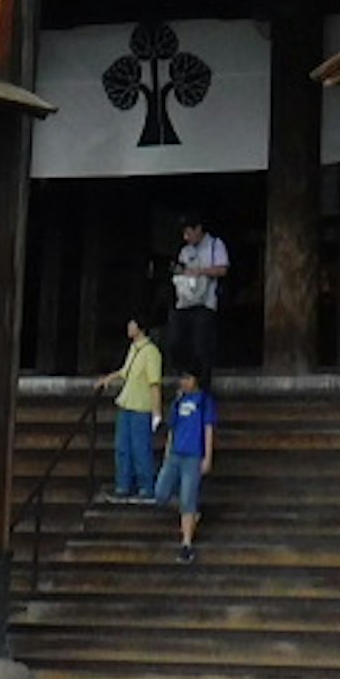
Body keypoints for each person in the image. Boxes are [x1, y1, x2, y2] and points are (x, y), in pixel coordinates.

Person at [101, 316, 166, 502]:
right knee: (123, 447)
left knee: (140, 448)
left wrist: (156, 411)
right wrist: (108, 379)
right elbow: (125, 371)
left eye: (132, 324)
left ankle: (146, 487)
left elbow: (154, 383)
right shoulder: (133, 349)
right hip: (127, 404)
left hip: (141, 407)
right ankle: (123, 485)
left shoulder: (151, 352)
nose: (129, 327)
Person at [166, 213, 229, 385]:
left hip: (205, 302)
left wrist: (200, 272)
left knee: (201, 344)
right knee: (176, 340)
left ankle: (202, 383)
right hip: (185, 301)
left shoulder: (215, 245)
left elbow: (222, 269)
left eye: (188, 232)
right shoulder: (185, 251)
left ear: (198, 229)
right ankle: (184, 376)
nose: (186, 237)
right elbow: (181, 269)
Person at [161, 367, 216, 562]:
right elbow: (172, 427)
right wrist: (167, 451)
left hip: (193, 455)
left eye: (187, 378)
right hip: (176, 454)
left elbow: (208, 429)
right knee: (161, 492)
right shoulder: (178, 401)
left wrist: (207, 456)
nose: (183, 382)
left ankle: (186, 543)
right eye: (181, 378)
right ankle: (190, 513)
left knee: (188, 499)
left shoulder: (204, 401)